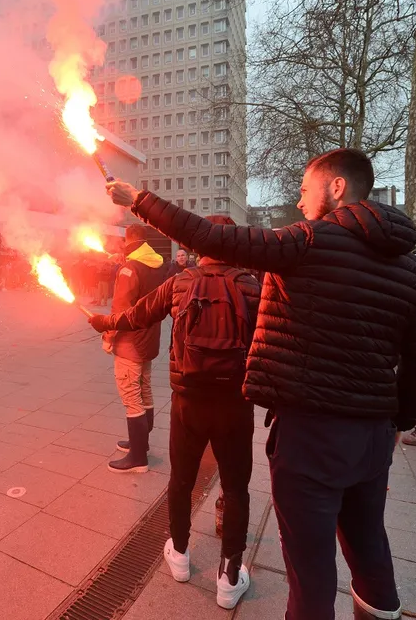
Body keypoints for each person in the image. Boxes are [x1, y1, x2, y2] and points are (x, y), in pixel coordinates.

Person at [105, 148, 416, 620]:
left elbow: (209, 236)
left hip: (310, 436)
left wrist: (138, 199)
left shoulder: (307, 242)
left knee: (309, 564)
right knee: (369, 542)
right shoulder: (408, 267)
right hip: (371, 438)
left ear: (337, 187)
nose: (301, 202)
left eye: (305, 190)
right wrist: (398, 420)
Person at [87, 217, 262, 608]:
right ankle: (230, 577)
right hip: (235, 402)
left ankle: (180, 555)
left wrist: (103, 322)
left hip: (188, 400)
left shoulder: (182, 281)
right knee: (235, 488)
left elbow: (137, 315)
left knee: (182, 479)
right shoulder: (251, 285)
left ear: (200, 245)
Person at [105, 224, 168, 473]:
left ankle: (138, 458)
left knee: (131, 395)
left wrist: (108, 335)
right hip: (150, 338)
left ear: (128, 240)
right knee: (145, 390)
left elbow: (120, 308)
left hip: (130, 341)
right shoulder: (157, 264)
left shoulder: (130, 269)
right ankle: (141, 443)